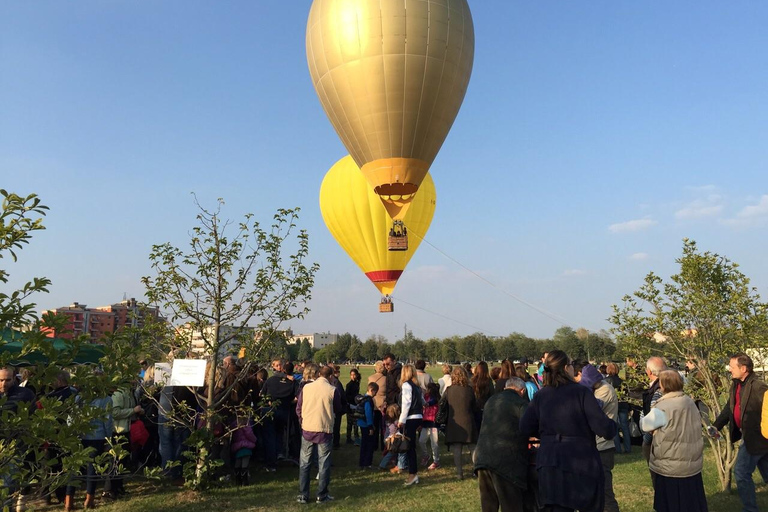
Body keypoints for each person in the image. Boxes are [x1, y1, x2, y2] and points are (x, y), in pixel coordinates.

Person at [520, 350, 617, 512]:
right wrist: (612, 426)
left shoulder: (541, 396)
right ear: (566, 368)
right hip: (581, 460)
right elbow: (604, 428)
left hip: (550, 461)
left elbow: (525, 428)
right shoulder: (581, 393)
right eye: (572, 365)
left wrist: (547, 436)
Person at [640, 370, 708, 512]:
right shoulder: (689, 401)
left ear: (663, 385)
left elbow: (645, 425)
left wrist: (643, 415)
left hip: (670, 464)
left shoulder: (663, 407)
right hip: (690, 461)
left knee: (672, 504)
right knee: (691, 503)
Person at [711, 353, 768, 512]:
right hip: (751, 438)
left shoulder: (759, 387)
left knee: (741, 473)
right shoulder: (736, 384)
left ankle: (750, 509)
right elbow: (730, 407)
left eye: (732, 366)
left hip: (756, 438)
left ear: (744, 369)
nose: (729, 369)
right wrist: (716, 425)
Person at [474, 377, 532, 512]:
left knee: (488, 505)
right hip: (506, 462)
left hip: (483, 456)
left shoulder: (491, 400)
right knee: (511, 505)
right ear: (522, 391)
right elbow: (528, 428)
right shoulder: (521, 403)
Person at [573, 361, 620, 512]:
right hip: (593, 446)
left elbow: (590, 410)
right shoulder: (595, 389)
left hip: (603, 447)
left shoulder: (604, 390)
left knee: (605, 494)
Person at [296, 365, 342, 504]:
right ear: (331, 376)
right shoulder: (333, 390)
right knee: (324, 464)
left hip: (308, 428)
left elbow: (298, 408)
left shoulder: (306, 388)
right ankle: (321, 495)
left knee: (305, 463)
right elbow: (338, 408)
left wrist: (302, 421)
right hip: (324, 429)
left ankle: (303, 495)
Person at [260, 358, 299, 471]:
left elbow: (263, 395)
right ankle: (279, 454)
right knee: (279, 433)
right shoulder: (291, 381)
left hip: (270, 409)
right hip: (284, 411)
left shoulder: (270, 380)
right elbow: (297, 397)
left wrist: (269, 402)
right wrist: (288, 402)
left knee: (270, 436)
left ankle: (271, 462)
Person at [443, 366, 478, 480]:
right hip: (468, 420)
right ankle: (476, 471)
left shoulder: (448, 390)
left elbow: (443, 404)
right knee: (472, 447)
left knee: (457, 449)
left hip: (454, 424)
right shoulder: (469, 390)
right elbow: (474, 406)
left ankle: (459, 473)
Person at [397, 364, 423, 486]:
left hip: (410, 418)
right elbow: (422, 402)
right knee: (411, 446)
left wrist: (401, 420)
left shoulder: (407, 385)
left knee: (409, 447)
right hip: (418, 416)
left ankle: (413, 474)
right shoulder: (417, 386)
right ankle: (413, 473)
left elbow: (406, 403)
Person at [642, 357, 668, 463]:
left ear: (649, 371)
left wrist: (647, 439)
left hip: (658, 438)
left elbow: (654, 417)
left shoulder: (658, 390)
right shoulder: (667, 385)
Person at [604, 363, 631, 454]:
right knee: (625, 427)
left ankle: (617, 448)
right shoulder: (622, 381)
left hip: (613, 405)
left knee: (614, 426)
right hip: (623, 404)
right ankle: (628, 448)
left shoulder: (605, 381)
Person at [419, 382, 441, 470]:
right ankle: (425, 455)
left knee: (434, 443)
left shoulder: (435, 398)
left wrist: (426, 404)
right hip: (426, 422)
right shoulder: (425, 396)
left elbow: (431, 402)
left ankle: (436, 461)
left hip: (434, 423)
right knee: (421, 440)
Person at [230, 415, 257, 486]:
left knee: (238, 462)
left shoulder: (234, 425)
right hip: (246, 446)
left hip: (237, 447)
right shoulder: (246, 425)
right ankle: (245, 481)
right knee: (245, 463)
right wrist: (255, 440)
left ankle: (237, 480)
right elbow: (250, 435)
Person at [357, 382, 377, 469]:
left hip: (361, 423)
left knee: (364, 444)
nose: (375, 394)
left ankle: (362, 462)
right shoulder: (368, 401)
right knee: (369, 445)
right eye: (375, 392)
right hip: (366, 425)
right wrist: (370, 427)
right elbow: (368, 413)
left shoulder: (362, 398)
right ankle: (367, 463)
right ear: (372, 390)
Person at [368, 361, 387, 450]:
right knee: (383, 427)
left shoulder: (371, 377)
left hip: (374, 403)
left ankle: (374, 445)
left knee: (374, 425)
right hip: (383, 404)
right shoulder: (386, 379)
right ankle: (383, 445)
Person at [329, 365, 348, 449]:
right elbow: (341, 396)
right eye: (337, 371)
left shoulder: (333, 381)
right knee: (336, 427)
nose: (338, 373)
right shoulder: (336, 382)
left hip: (332, 408)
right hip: (336, 408)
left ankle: (335, 443)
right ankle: (336, 444)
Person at [472, 361, 495, 427]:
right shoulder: (488, 381)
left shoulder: (473, 380)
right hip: (485, 409)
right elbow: (492, 395)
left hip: (476, 409)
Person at [345, 369, 361, 445]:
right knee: (350, 423)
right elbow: (347, 396)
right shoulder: (349, 385)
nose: (353, 376)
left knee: (356, 423)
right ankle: (348, 438)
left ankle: (356, 437)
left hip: (355, 405)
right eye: (351, 375)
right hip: (351, 406)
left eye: (354, 375)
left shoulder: (357, 383)